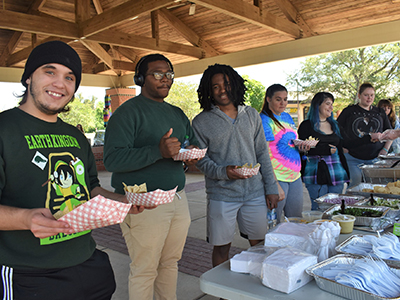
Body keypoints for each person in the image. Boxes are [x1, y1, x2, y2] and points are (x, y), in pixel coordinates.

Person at [0, 40, 144, 300]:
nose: (59, 83)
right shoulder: (4, 129)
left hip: (88, 262)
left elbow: (90, 188)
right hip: (29, 274)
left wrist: (123, 201)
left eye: (69, 77)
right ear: (28, 77)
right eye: (49, 71)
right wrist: (25, 219)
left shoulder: (75, 137)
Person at [103, 53, 200, 300]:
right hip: (143, 203)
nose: (165, 79)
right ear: (140, 79)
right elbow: (112, 160)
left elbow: (190, 143)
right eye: (157, 74)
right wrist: (157, 151)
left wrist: (190, 155)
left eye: (169, 74)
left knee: (170, 263)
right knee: (144, 269)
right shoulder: (126, 114)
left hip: (178, 198)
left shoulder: (177, 113)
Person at [192, 64, 279, 267]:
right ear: (208, 91)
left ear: (236, 85)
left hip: (255, 193)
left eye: (227, 84)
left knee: (259, 244)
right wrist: (224, 172)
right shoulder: (201, 122)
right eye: (215, 86)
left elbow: (261, 154)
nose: (222, 90)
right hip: (222, 195)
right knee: (221, 247)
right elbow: (201, 160)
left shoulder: (251, 115)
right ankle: (223, 293)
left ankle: (258, 285)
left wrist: (271, 188)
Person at [260, 84, 305, 222]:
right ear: (268, 99)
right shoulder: (264, 120)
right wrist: (274, 184)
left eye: (285, 99)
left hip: (295, 176)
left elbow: (291, 142)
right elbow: (264, 154)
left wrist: (303, 146)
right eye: (278, 99)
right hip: (278, 177)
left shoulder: (287, 117)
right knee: (274, 223)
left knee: (295, 221)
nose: (283, 103)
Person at [298, 92, 350, 210]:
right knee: (318, 208)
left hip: (336, 172)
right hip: (315, 172)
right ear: (317, 105)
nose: (331, 107)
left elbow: (346, 145)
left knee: (335, 209)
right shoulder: (306, 125)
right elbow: (302, 149)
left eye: (332, 104)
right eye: (327, 104)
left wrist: (375, 137)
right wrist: (325, 149)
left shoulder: (335, 125)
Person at [337, 83, 392, 188]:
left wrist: (385, 149)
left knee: (376, 188)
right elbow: (336, 130)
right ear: (359, 95)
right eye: (366, 95)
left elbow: (389, 133)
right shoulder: (349, 111)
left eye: (372, 95)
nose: (369, 98)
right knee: (355, 186)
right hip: (353, 157)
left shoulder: (380, 112)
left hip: (375, 158)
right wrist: (341, 147)